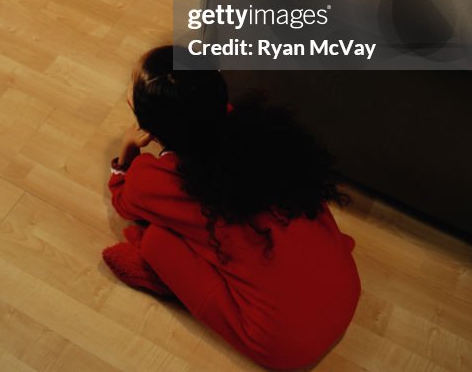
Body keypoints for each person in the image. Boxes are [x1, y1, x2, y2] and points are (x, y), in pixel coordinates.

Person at [104, 46, 361, 370]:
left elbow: (123, 200)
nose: (127, 90)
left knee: (156, 240)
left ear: (148, 125)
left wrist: (127, 149)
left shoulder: (152, 180)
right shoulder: (259, 133)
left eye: (132, 90)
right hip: (346, 285)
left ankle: (162, 279)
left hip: (286, 344)